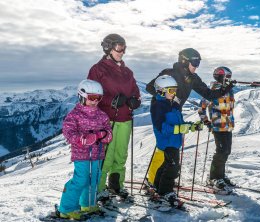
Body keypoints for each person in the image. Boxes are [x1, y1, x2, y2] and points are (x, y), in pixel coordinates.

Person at [145, 48, 234, 186]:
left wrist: (224, 90)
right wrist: (167, 99)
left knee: (173, 147)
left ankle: (165, 178)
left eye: (198, 63)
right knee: (163, 147)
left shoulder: (193, 78)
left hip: (176, 112)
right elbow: (150, 87)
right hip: (161, 111)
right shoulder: (169, 73)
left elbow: (208, 94)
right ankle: (152, 180)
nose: (197, 66)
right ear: (184, 61)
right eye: (195, 62)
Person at [87, 33, 141, 200]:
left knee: (120, 154)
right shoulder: (98, 69)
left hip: (125, 119)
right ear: (108, 48)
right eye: (119, 47)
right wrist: (112, 101)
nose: (122, 51)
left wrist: (134, 101)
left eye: (124, 48)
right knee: (106, 156)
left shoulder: (127, 72)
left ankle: (116, 185)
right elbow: (91, 95)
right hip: (106, 119)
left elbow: (135, 91)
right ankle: (99, 188)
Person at [58, 80, 112, 220]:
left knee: (94, 179)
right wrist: (82, 139)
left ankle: (88, 204)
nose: (95, 101)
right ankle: (66, 208)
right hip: (81, 155)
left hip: (97, 154)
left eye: (98, 98)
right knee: (81, 180)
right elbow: (68, 132)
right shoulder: (74, 115)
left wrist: (103, 135)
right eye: (92, 97)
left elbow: (109, 133)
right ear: (82, 96)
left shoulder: (102, 115)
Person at [149, 75, 201, 207]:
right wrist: (178, 129)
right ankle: (166, 191)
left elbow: (180, 123)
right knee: (172, 167)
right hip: (166, 142)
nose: (174, 93)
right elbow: (160, 127)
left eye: (174, 90)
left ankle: (157, 187)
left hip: (174, 141)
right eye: (171, 91)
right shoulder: (158, 105)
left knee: (166, 165)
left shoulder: (174, 104)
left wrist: (191, 126)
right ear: (161, 90)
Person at [198, 66, 235, 193]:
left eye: (230, 77)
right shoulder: (212, 90)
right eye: (227, 77)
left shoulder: (229, 90)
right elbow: (201, 109)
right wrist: (207, 122)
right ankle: (214, 178)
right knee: (221, 151)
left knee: (226, 151)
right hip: (218, 126)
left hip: (228, 126)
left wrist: (228, 88)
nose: (229, 79)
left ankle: (221, 176)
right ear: (220, 76)